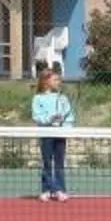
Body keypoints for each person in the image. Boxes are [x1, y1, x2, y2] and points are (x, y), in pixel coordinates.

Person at [30, 66, 74, 201]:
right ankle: (47, 190)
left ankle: (60, 190)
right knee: (47, 162)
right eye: (55, 79)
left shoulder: (63, 98)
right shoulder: (38, 98)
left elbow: (69, 115)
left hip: (60, 134)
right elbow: (37, 116)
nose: (58, 82)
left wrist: (65, 125)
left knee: (59, 162)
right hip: (45, 133)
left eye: (59, 80)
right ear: (46, 81)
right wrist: (49, 119)